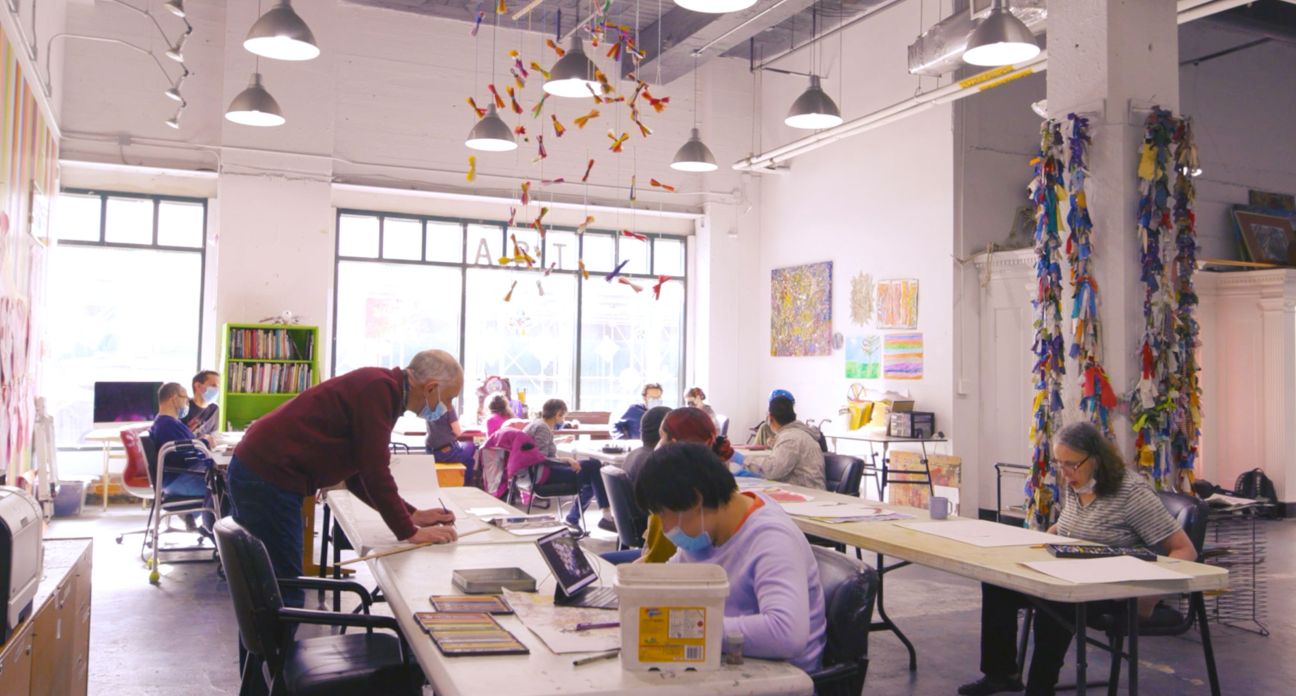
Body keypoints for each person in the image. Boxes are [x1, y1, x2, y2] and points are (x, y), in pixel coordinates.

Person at [958, 421, 1198, 696]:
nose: (1065, 472)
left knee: (1054, 602)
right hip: (1071, 575)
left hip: (1112, 589)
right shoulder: (1077, 482)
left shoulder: (1131, 493)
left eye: (1071, 464)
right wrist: (1044, 538)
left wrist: (1149, 597)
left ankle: (1040, 689)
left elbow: (1184, 550)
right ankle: (1001, 675)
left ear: (1096, 459)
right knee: (997, 583)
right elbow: (1067, 527)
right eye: (1059, 463)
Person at [228, 349, 462, 609]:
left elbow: (358, 474)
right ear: (431, 388)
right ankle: (274, 650)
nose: (447, 408)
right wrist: (408, 531)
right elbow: (374, 471)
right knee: (284, 591)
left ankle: (266, 648)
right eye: (449, 398)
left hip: (261, 471)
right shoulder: (379, 391)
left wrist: (412, 515)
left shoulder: (386, 390)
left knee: (273, 586)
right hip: (267, 476)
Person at [634, 442, 827, 673]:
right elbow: (671, 578)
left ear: (695, 501)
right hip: (730, 663)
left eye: (664, 515)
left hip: (777, 676)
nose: (665, 528)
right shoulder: (707, 530)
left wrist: (685, 629)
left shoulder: (771, 539)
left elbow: (787, 634)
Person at [638, 407, 744, 563]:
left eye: (661, 437)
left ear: (673, 445)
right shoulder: (726, 493)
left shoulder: (670, 496)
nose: (658, 445)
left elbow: (655, 561)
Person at [523, 399, 613, 531]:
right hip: (543, 474)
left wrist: (559, 441)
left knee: (593, 474)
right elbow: (541, 457)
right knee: (595, 467)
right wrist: (567, 460)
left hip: (537, 472)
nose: (564, 418)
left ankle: (580, 518)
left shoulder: (537, 424)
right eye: (564, 415)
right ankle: (603, 516)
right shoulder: (542, 428)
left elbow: (542, 449)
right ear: (558, 413)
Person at [149, 382, 216, 529]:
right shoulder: (167, 425)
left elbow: (185, 448)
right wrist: (205, 442)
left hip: (176, 478)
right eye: (185, 398)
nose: (187, 402)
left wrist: (201, 443)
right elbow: (188, 453)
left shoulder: (166, 422)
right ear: (173, 398)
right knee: (223, 483)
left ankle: (207, 524)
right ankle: (214, 530)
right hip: (179, 480)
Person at [740, 396, 826, 489]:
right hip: (803, 488)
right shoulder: (796, 433)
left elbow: (772, 469)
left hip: (808, 492)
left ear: (770, 417)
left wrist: (742, 459)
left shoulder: (791, 438)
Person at [424, 401, 477, 484]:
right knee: (471, 448)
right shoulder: (447, 405)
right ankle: (465, 486)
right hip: (445, 452)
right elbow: (458, 432)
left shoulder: (428, 404)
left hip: (430, 451)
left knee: (467, 455)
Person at [184, 370, 221, 436]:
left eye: (218, 386)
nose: (217, 389)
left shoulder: (214, 409)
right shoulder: (184, 407)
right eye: (213, 385)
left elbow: (214, 435)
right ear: (198, 386)